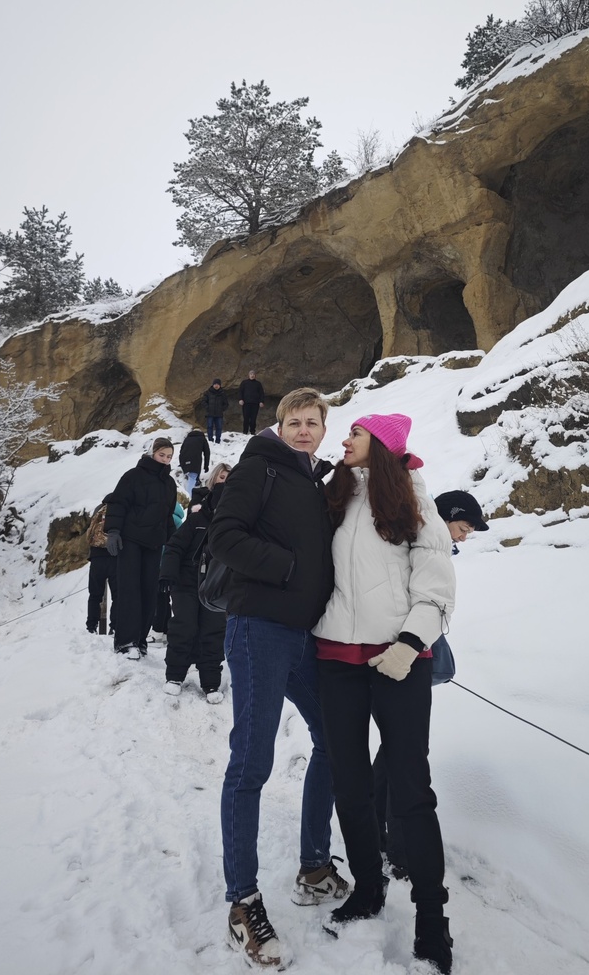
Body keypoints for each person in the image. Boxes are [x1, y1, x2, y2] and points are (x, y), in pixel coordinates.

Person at [208, 387, 349, 968]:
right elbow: (225, 537)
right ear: (279, 424)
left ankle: (314, 867)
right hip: (259, 629)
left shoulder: (314, 480)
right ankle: (242, 905)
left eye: (313, 422)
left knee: (337, 741)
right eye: (294, 421)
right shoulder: (258, 469)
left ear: (323, 427)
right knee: (251, 764)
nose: (303, 430)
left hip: (303, 636)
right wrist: (288, 569)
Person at [314, 413, 456, 975]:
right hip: (335, 660)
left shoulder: (416, 504)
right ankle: (369, 888)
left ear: (384, 446)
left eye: (356, 434)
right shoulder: (337, 493)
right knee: (349, 783)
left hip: (398, 662)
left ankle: (430, 918)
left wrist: (410, 643)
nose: (344, 441)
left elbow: (437, 584)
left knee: (410, 788)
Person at [373, 488, 488, 879]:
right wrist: (409, 646)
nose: (464, 536)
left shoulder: (420, 539)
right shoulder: (421, 541)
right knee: (408, 754)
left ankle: (378, 834)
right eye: (463, 527)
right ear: (448, 516)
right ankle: (401, 852)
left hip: (401, 655)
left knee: (394, 750)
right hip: (403, 657)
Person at [161, 463, 231, 702]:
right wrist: (167, 574)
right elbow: (174, 546)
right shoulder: (197, 516)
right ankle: (175, 676)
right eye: (221, 478)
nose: (225, 483)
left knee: (213, 631)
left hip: (216, 587)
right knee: (184, 626)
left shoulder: (236, 521)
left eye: (230, 480)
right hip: (187, 581)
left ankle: (211, 683)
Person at [104, 437, 178, 660]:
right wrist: (114, 531)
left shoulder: (169, 483)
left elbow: (167, 517)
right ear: (152, 453)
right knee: (129, 590)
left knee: (149, 592)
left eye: (169, 457)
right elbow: (118, 503)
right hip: (131, 540)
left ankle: (140, 639)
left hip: (154, 543)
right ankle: (125, 641)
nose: (165, 460)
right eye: (161, 455)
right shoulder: (133, 476)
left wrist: (174, 544)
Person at [149, 494, 186, 643]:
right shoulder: (179, 521)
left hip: (162, 562)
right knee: (165, 598)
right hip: (172, 564)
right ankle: (165, 630)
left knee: (159, 598)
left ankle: (158, 630)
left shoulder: (167, 519)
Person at [84, 495, 117, 634]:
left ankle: (91, 626)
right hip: (115, 557)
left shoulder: (99, 510)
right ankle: (114, 627)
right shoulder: (119, 510)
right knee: (118, 595)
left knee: (94, 594)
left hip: (97, 557)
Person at [179, 427, 211, 495]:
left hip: (183, 459)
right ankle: (188, 497)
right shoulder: (202, 438)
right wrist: (206, 466)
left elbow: (181, 451)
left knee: (192, 475)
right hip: (194, 460)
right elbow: (207, 453)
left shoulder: (187, 439)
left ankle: (196, 482)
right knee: (192, 477)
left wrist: (182, 464)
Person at [237, 369, 265, 435]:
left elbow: (261, 393)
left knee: (253, 418)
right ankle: (245, 431)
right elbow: (240, 391)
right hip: (246, 403)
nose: (252, 375)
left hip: (255, 404)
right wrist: (240, 399)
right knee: (246, 418)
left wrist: (261, 401)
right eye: (251, 374)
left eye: (253, 374)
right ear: (248, 375)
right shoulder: (244, 383)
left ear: (255, 376)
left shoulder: (258, 384)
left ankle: (252, 431)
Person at [203, 378, 229, 443]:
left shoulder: (222, 393)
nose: (216, 385)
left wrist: (222, 409)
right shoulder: (208, 392)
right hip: (210, 413)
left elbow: (226, 404)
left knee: (219, 427)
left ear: (220, 385)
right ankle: (210, 440)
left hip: (219, 414)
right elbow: (203, 401)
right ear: (213, 385)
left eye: (217, 384)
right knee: (209, 427)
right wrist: (207, 407)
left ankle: (218, 440)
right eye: (215, 384)